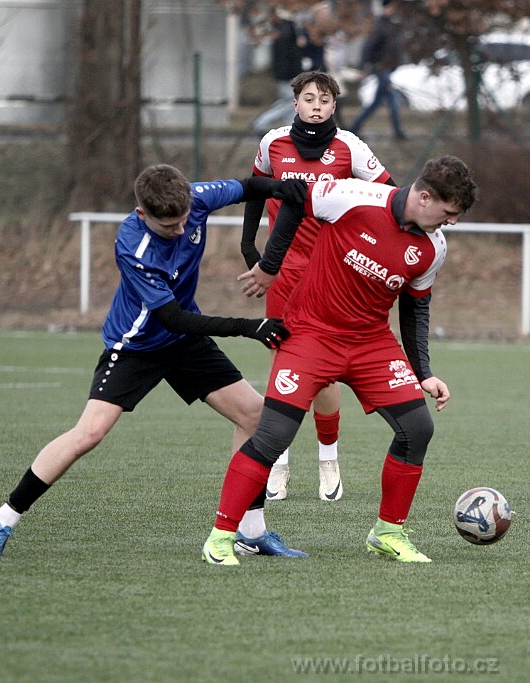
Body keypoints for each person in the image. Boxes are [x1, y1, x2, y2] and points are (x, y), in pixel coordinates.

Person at [0, 164, 310, 559]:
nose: (181, 231)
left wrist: (283, 187)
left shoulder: (197, 196)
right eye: (169, 227)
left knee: (255, 417)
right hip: (136, 346)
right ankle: (2, 519)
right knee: (89, 433)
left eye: (184, 220)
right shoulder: (133, 246)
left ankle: (250, 531)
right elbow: (173, 318)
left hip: (184, 342)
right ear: (142, 214)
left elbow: (249, 186)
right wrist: (248, 326)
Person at [202, 155, 478, 566]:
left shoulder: (433, 247)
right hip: (311, 334)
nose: (451, 222)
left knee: (417, 429)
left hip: (371, 343)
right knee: (274, 434)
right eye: (448, 212)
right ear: (424, 198)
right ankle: (221, 536)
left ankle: (388, 533)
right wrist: (270, 265)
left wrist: (424, 372)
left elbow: (416, 308)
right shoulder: (352, 196)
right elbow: (294, 199)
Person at [241, 70, 396, 506]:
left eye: (324, 100)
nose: (315, 106)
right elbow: (255, 189)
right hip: (283, 273)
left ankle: (329, 459)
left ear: (334, 106)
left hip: (331, 276)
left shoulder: (350, 146)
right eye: (308, 98)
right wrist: (247, 244)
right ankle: (278, 462)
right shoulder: (273, 143)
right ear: (295, 103)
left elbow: (390, 197)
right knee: (283, 363)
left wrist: (370, 246)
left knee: (323, 369)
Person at [348, 0, 407, 140]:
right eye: (390, 7)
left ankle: (355, 127)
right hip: (381, 68)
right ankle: (398, 132)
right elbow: (369, 46)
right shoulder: (380, 25)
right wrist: (366, 65)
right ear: (386, 8)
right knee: (391, 100)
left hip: (387, 68)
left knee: (378, 102)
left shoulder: (390, 25)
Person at [252, 10, 306, 135]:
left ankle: (290, 130)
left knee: (292, 104)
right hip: (288, 74)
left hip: (286, 73)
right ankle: (262, 122)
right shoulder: (287, 31)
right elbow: (290, 55)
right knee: (290, 101)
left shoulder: (283, 31)